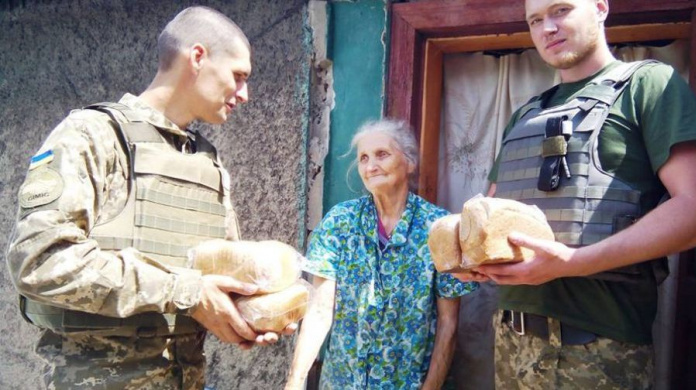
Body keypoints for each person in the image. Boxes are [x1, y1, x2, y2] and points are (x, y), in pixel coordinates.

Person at [6, 6, 293, 389]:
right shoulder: (94, 135)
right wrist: (185, 291)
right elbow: (38, 260)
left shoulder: (207, 162)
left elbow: (217, 280)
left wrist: (251, 314)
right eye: (238, 76)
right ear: (197, 56)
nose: (245, 94)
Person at [454, 0, 696, 388]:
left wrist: (573, 261)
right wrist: (475, 261)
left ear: (600, 7)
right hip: (512, 341)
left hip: (598, 350)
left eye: (561, 10)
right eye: (535, 20)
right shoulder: (525, 115)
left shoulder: (647, 86)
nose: (547, 28)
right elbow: (495, 214)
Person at [285, 119, 478, 389]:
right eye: (363, 158)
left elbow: (448, 324)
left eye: (382, 154)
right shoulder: (341, 221)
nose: (370, 166)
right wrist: (294, 382)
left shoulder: (438, 228)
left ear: (410, 162)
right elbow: (319, 309)